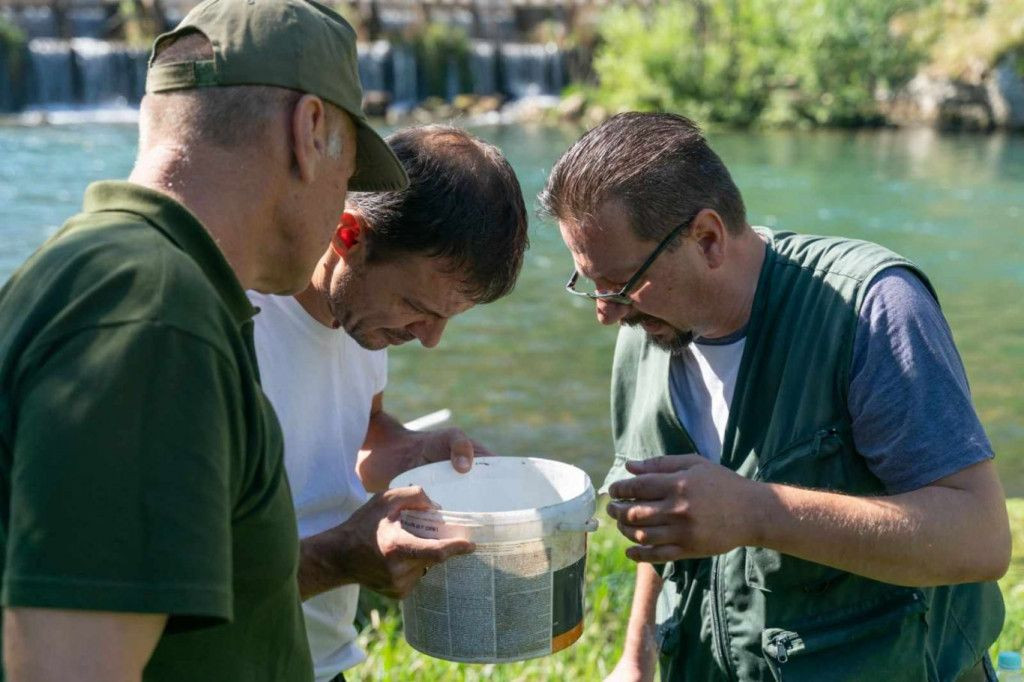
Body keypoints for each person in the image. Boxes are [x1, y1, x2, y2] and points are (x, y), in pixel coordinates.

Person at [0, 0, 409, 680]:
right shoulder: (155, 315)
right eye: (349, 175)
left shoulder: (106, 270)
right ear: (309, 130)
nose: (343, 201)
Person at [539, 112, 1010, 682]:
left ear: (708, 239)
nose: (605, 313)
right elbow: (662, 513)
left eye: (616, 285)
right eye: (587, 283)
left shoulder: (874, 309)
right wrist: (636, 658)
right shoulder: (647, 324)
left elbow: (980, 538)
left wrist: (758, 512)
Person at [249, 124, 529, 682]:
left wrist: (411, 453)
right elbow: (178, 578)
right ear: (349, 233)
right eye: (417, 307)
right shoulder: (238, 320)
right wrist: (340, 559)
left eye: (449, 317)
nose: (430, 339)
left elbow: (361, 431)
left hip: (323, 662)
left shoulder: (364, 319)